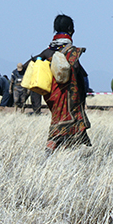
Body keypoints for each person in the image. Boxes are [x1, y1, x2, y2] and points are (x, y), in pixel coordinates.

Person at [35, 14, 90, 153]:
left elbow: (30, 64)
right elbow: (76, 67)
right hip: (68, 96)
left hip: (52, 95)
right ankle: (51, 149)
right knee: (62, 126)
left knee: (59, 121)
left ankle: (63, 153)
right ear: (71, 29)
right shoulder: (70, 51)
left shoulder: (48, 50)